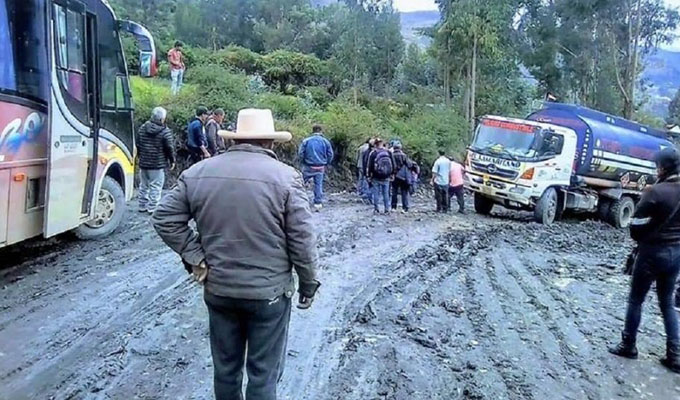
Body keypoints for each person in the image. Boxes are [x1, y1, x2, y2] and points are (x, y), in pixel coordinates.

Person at [152, 108, 320, 399]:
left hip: (220, 290)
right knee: (263, 376)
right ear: (270, 142)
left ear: (232, 140)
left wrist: (196, 256)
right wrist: (308, 284)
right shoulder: (286, 178)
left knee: (226, 371)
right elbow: (302, 240)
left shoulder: (198, 173)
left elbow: (164, 218)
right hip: (268, 295)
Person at [609, 147, 680, 374]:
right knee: (667, 302)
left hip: (652, 253)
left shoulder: (655, 192)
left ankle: (628, 345)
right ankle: (675, 355)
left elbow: (635, 226)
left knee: (636, 300)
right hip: (676, 254)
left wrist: (645, 235)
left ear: (662, 167)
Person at [136, 107, 175, 214]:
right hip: (157, 163)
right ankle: (152, 207)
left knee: (143, 185)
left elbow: (138, 144)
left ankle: (142, 205)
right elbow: (169, 148)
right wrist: (172, 160)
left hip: (144, 162)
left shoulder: (142, 128)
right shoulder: (165, 131)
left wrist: (139, 156)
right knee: (156, 186)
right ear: (162, 119)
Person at [299, 124, 334, 211]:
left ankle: (300, 199)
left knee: (301, 182)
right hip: (320, 166)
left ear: (313, 130)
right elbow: (330, 154)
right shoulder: (325, 142)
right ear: (321, 131)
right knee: (318, 185)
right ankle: (318, 203)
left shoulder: (306, 141)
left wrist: (303, 161)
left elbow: (300, 153)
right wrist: (327, 163)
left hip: (308, 166)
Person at [367, 139, 395, 214]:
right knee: (386, 193)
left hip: (376, 176)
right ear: (383, 144)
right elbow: (393, 164)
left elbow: (370, 166)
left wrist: (369, 175)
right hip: (386, 176)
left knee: (376, 193)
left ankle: (376, 209)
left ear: (375, 145)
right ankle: (387, 209)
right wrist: (392, 174)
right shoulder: (388, 152)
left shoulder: (373, 153)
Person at [391, 141, 413, 213]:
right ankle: (405, 208)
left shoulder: (391, 155)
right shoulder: (404, 155)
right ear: (400, 148)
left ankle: (393, 207)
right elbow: (409, 164)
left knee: (394, 192)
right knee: (404, 192)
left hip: (394, 176)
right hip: (403, 177)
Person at [357, 138, 374, 203]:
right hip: (366, 166)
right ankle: (366, 193)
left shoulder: (360, 147)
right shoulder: (369, 149)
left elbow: (357, 157)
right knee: (366, 179)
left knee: (360, 179)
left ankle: (359, 191)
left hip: (359, 164)